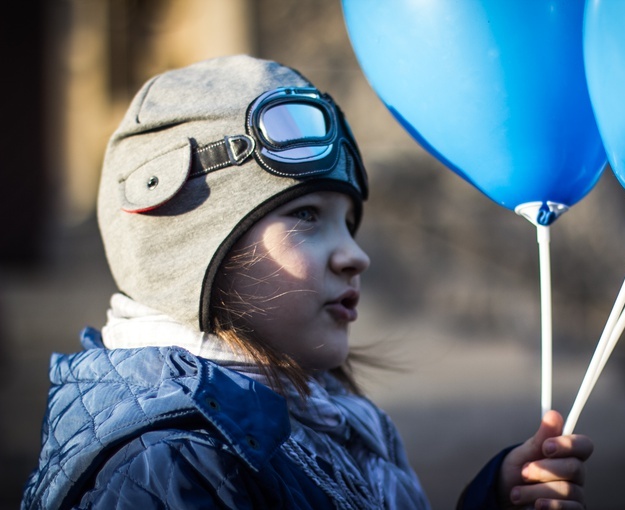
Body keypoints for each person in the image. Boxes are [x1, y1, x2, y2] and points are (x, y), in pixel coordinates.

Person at [22, 55, 593, 510]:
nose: (355, 255)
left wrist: (494, 500)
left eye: (348, 221)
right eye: (305, 216)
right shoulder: (166, 468)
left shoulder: (320, 413)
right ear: (189, 246)